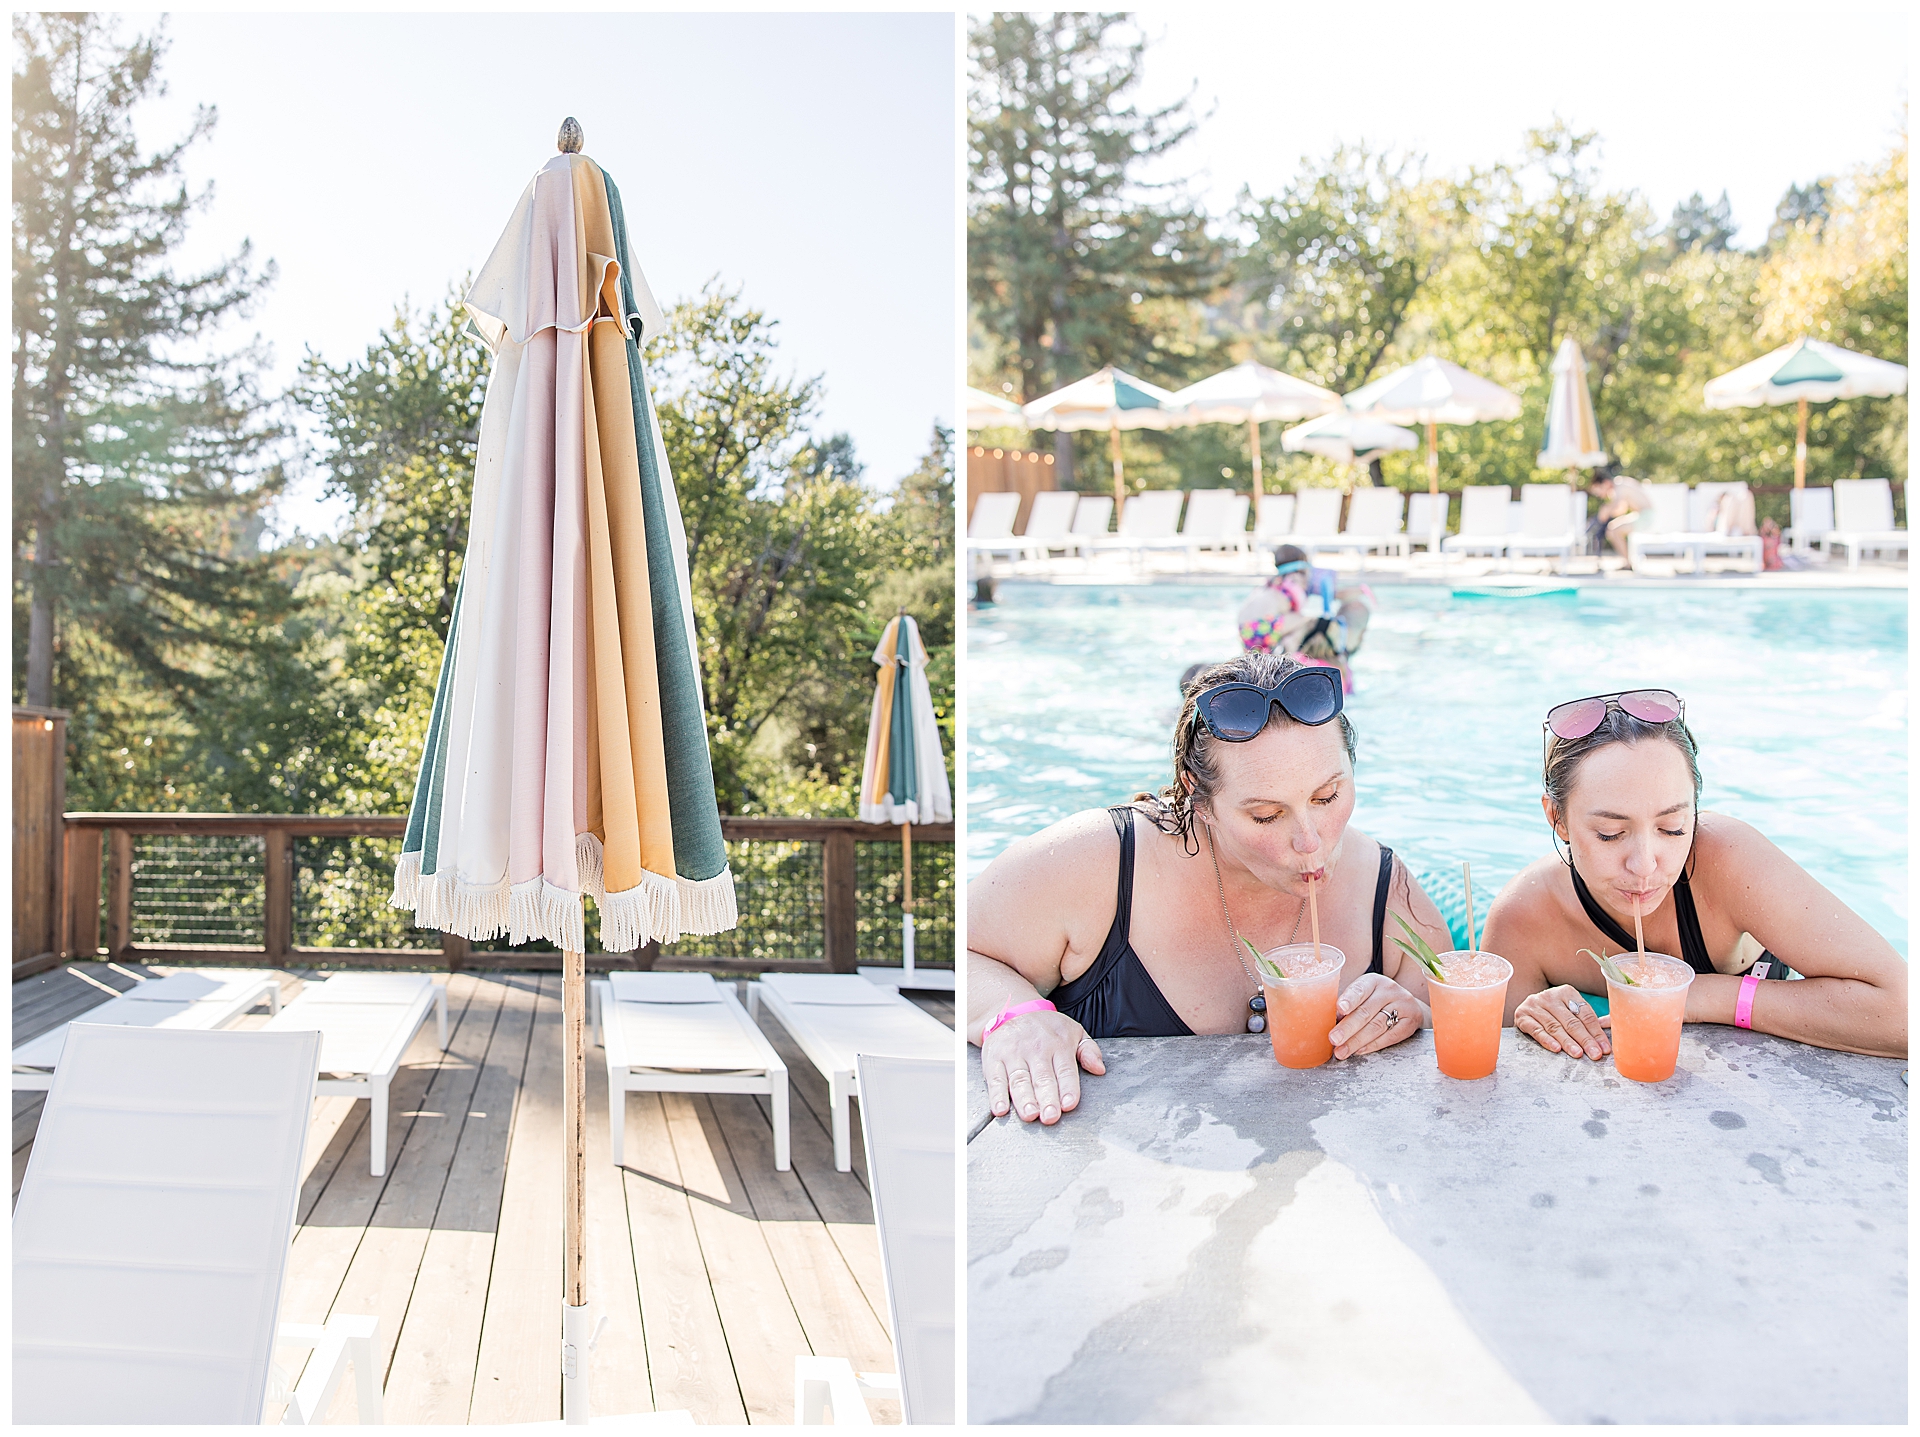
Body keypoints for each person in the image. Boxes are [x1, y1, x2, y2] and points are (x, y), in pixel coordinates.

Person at [967, 649, 1454, 1125]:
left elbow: (1457, 1025)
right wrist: (1014, 1015)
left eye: (1328, 796)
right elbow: (962, 950)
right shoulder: (1094, 863)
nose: (1310, 840)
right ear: (1199, 800)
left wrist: (1410, 1017)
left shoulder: (1387, 891)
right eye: (1266, 814)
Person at [1484, 688, 1907, 1060]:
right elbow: (1495, 1070)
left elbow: (1903, 1011)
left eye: (1672, 827)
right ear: (1557, 818)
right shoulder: (1522, 918)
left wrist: (1704, 996)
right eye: (1611, 834)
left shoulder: (1728, 860)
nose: (1646, 864)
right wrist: (1536, 1017)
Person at [1236, 545, 1373, 692]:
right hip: (1265, 625)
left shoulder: (1274, 582)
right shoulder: (1295, 578)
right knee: (1308, 622)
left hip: (1246, 629)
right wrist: (1360, 591)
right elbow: (1334, 593)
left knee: (1257, 664)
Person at [1588, 472, 1651, 562]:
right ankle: (1628, 561)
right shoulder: (1619, 485)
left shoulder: (1619, 484)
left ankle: (1628, 563)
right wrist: (1607, 513)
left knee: (1613, 531)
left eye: (1599, 490)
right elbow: (1622, 509)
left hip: (1646, 516)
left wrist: (1606, 510)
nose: (1600, 495)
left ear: (1605, 483)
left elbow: (1617, 506)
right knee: (1612, 528)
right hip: (1641, 515)